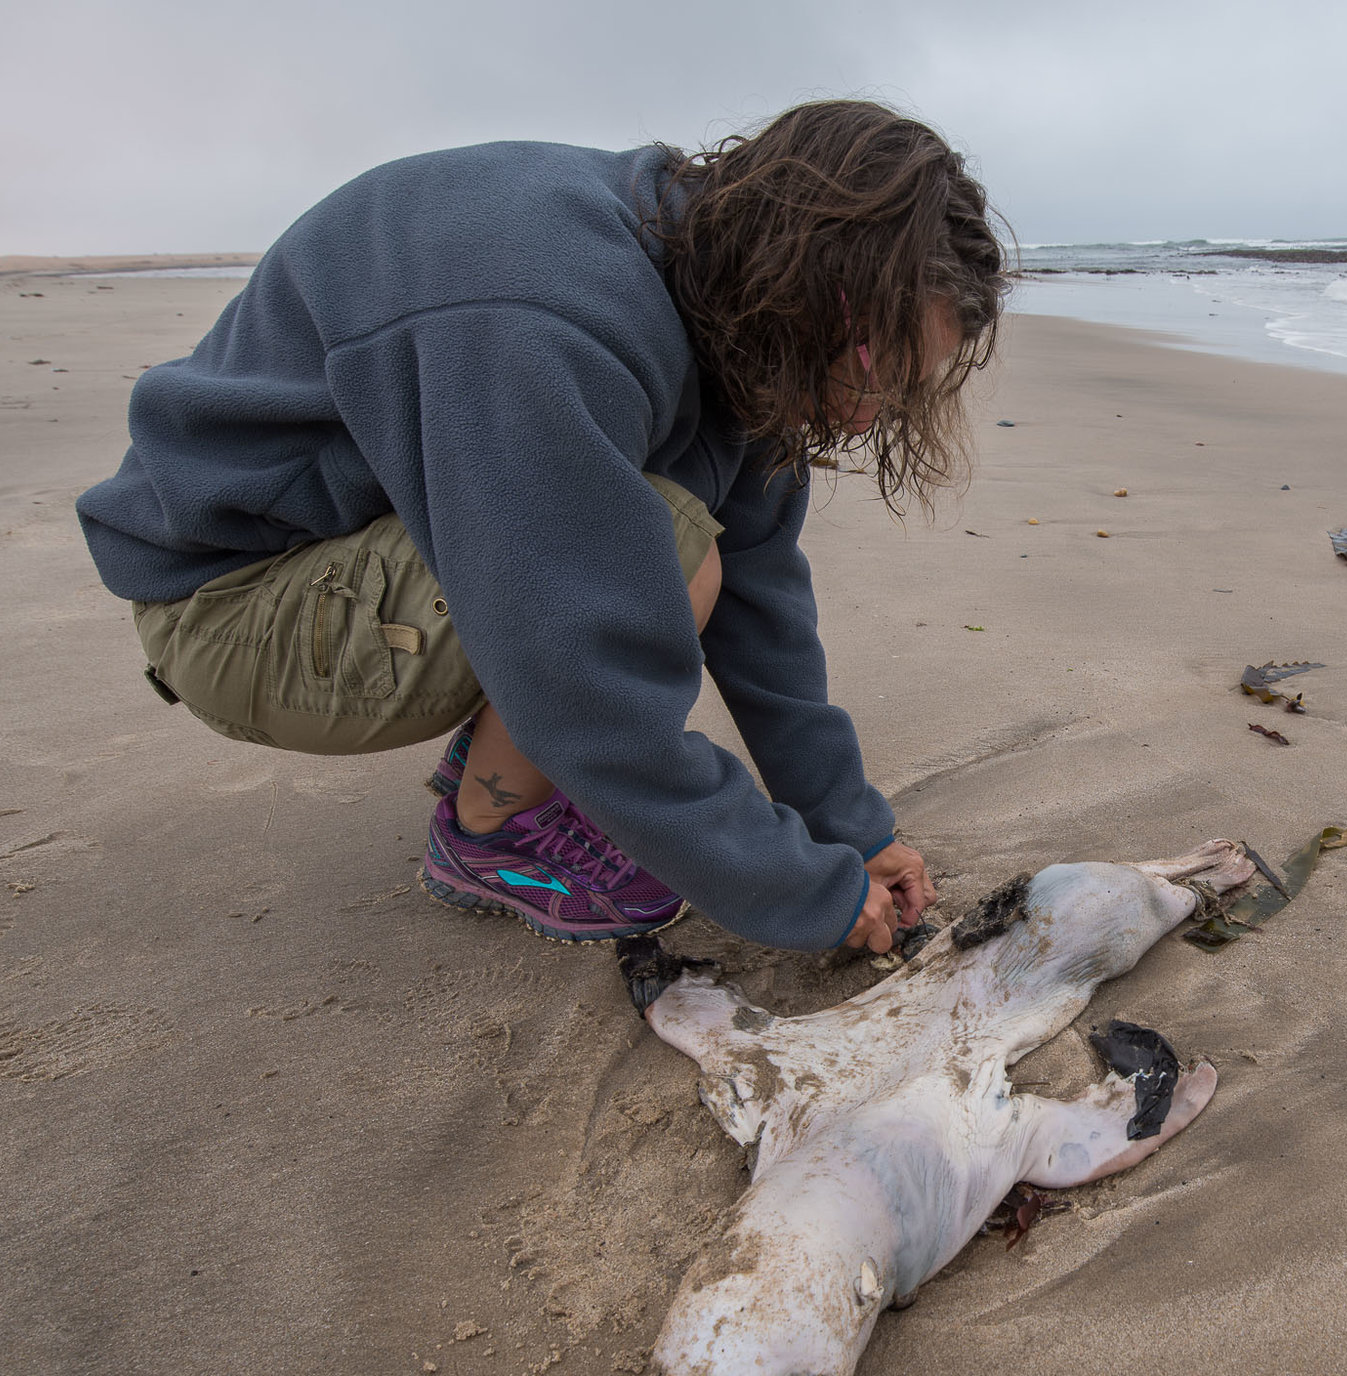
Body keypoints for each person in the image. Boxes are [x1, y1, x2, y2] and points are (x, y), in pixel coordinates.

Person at [77, 101, 1008, 952]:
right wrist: (800, 891)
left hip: (380, 553)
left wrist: (852, 830)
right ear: (822, 287)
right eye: (876, 371)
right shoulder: (549, 314)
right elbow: (588, 682)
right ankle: (488, 835)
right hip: (230, 602)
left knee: (664, 546)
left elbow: (761, 593)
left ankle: (505, 757)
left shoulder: (732, 299)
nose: (869, 416)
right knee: (666, 548)